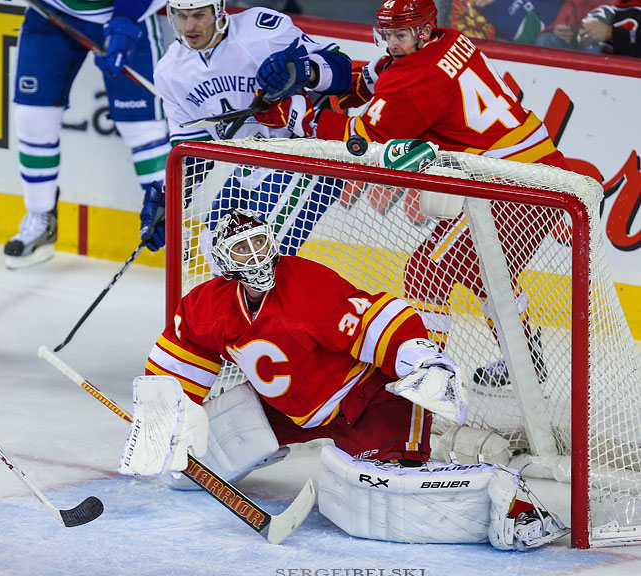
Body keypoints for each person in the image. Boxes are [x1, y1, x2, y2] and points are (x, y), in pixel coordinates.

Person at [120, 208, 568, 551]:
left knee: (372, 497)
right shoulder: (207, 305)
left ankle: (511, 503)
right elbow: (183, 354)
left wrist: (417, 354)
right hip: (288, 410)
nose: (255, 255)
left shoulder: (305, 284)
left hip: (369, 403)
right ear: (222, 260)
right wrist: (168, 415)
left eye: (260, 241)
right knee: (185, 464)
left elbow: (374, 318)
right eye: (242, 249)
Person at [304, 0, 571, 387]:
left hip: (513, 188)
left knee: (426, 272)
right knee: (483, 273)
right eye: (389, 34)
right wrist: (358, 77)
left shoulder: (416, 79)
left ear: (424, 32)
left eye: (400, 35)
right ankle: (526, 362)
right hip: (543, 177)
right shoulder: (453, 40)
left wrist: (305, 119)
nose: (392, 44)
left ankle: (430, 377)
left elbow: (366, 141)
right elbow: (396, 77)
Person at [138, 0, 352, 253]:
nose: (190, 26)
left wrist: (304, 69)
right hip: (250, 166)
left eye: (199, 15)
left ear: (219, 11)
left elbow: (343, 71)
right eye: (181, 16)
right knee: (213, 249)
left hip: (307, 154)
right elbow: (193, 150)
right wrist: (172, 198)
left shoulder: (261, 31)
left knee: (255, 254)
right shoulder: (170, 71)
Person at [6, 0, 171, 268]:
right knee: (33, 116)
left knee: (143, 128)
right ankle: (40, 218)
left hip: (123, 15)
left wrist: (125, 21)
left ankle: (172, 228)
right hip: (50, 10)